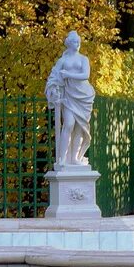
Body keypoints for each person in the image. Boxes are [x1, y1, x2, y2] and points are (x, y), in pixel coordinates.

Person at [45, 31, 96, 168]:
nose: (78, 44)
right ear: (68, 43)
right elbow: (53, 77)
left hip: (84, 95)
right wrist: (53, 90)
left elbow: (85, 75)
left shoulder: (83, 59)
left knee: (80, 128)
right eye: (75, 42)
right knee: (68, 124)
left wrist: (68, 74)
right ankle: (62, 159)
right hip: (69, 96)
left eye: (79, 41)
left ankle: (74, 158)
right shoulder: (63, 61)